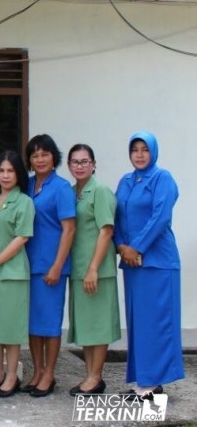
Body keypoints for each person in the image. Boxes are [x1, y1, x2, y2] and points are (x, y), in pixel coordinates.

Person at [114, 132, 183, 396]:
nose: (140, 154)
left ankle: (152, 385)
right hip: (133, 264)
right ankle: (144, 380)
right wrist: (121, 246)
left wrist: (136, 247)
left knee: (157, 322)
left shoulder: (162, 178)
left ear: (153, 151)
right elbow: (117, 216)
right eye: (135, 150)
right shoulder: (127, 181)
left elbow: (161, 216)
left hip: (158, 263)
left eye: (145, 149)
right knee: (139, 323)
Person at [23, 134, 76, 397]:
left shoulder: (62, 187)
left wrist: (57, 265)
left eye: (44, 154)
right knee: (33, 324)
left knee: (50, 322)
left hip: (51, 266)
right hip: (27, 265)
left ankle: (49, 373)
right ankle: (37, 370)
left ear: (54, 156)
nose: (39, 159)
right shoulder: (28, 185)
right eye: (34, 155)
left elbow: (69, 229)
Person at [66, 143, 119, 396]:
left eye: (85, 161)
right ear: (68, 166)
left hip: (96, 270)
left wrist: (93, 269)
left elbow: (106, 231)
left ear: (94, 164)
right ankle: (91, 376)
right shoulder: (73, 192)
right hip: (78, 269)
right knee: (86, 326)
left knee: (98, 326)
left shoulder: (100, 191)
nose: (80, 166)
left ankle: (95, 376)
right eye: (75, 162)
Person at [0, 151, 34, 398]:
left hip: (11, 273)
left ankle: (12, 375)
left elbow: (21, 238)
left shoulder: (24, 202)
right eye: (1, 170)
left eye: (10, 171)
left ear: (18, 174)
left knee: (10, 329)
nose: (5, 175)